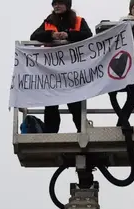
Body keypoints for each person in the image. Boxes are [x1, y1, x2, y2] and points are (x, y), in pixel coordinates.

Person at [30, 0, 93, 133]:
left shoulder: (79, 21)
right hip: (52, 71)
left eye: (60, 3)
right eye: (54, 4)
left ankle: (82, 131)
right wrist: (51, 35)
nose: (56, 6)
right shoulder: (48, 21)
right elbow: (34, 36)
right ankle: (50, 133)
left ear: (67, 5)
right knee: (51, 104)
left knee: (75, 103)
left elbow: (88, 35)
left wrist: (68, 35)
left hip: (72, 69)